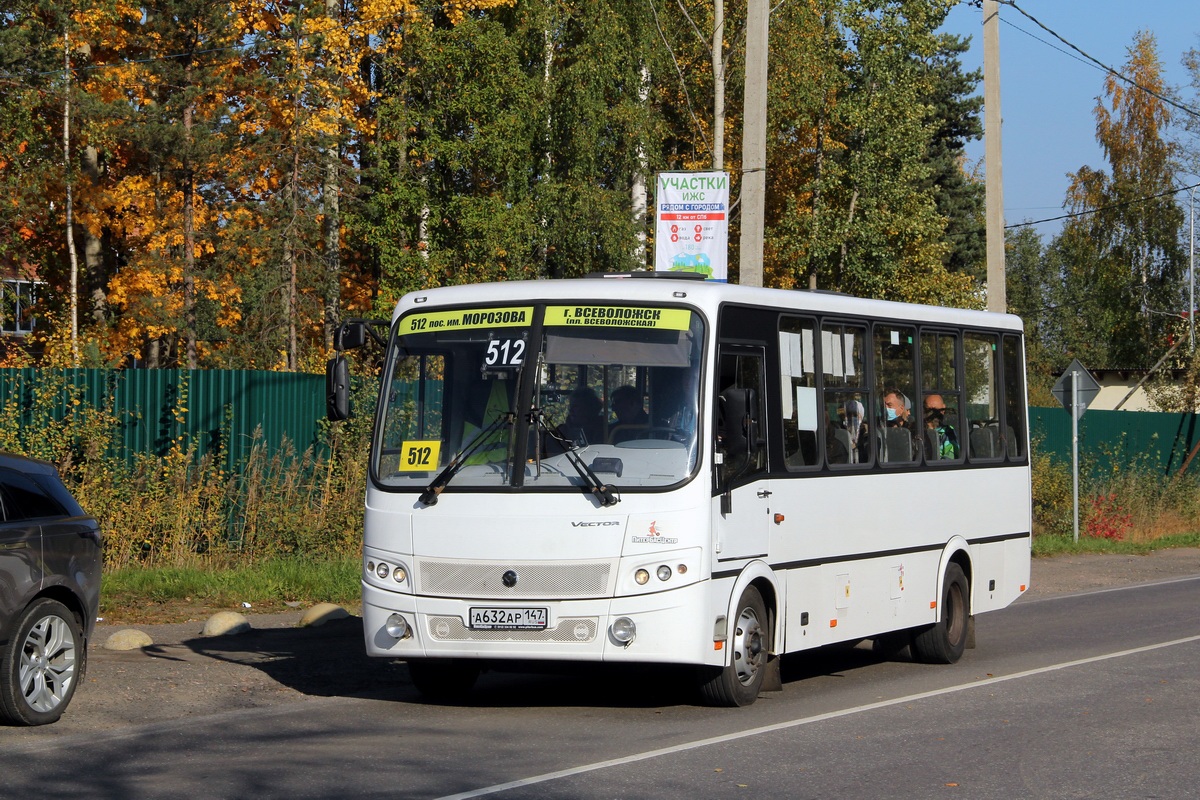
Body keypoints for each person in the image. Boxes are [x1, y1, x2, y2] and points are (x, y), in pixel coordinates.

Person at [881, 388, 920, 462]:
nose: (885, 409)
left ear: (902, 408)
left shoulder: (914, 430)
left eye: (889, 405)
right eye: (883, 406)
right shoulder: (879, 428)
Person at [923, 393, 959, 460]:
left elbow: (949, 460)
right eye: (929, 410)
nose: (932, 414)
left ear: (943, 410)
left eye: (936, 410)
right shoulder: (917, 430)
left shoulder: (947, 432)